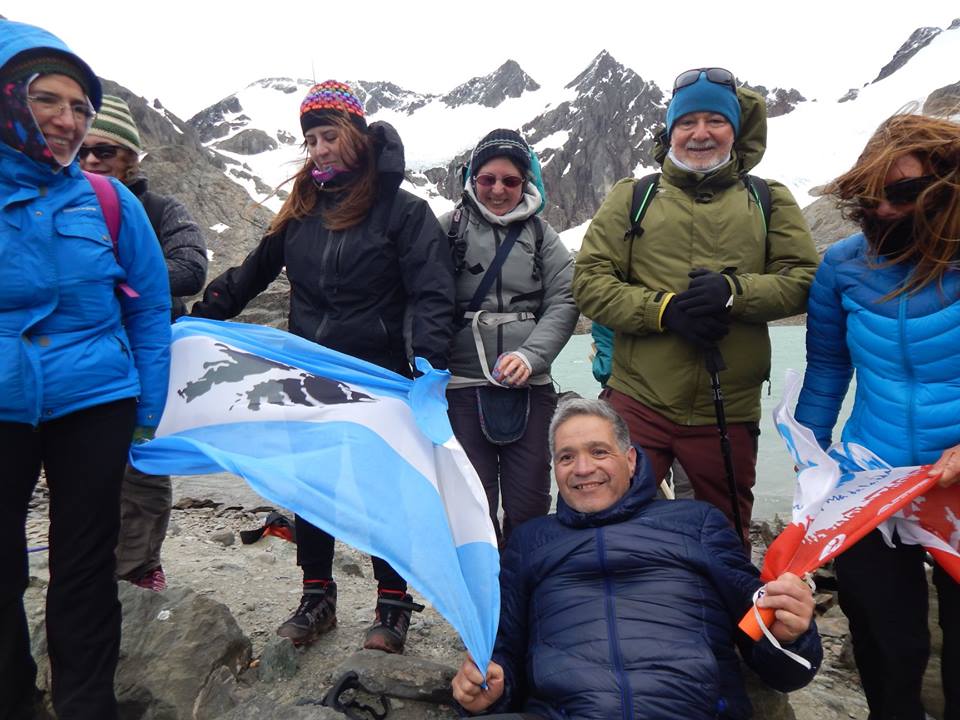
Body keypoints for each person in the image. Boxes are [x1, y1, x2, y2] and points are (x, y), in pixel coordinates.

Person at [191, 80, 455, 654]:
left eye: (329, 136)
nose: (319, 149)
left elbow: (433, 292)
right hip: (308, 377)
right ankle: (317, 597)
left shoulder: (404, 211)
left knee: (383, 489)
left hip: (380, 379)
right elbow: (251, 273)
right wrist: (198, 318)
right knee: (312, 487)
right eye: (311, 139)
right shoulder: (301, 212)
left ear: (356, 134)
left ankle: (392, 604)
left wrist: (429, 364)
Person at [0, 20, 171, 719]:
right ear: (9, 98)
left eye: (80, 107)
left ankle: (86, 704)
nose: (68, 121)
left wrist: (147, 410)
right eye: (48, 100)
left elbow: (149, 308)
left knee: (85, 561)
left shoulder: (108, 200)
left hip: (95, 400)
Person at [451, 398, 822, 719]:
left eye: (599, 452)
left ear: (630, 460)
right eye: (566, 457)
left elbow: (781, 663)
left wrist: (791, 636)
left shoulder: (697, 524)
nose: (583, 468)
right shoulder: (530, 541)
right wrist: (489, 691)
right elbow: (505, 653)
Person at [573, 67, 819, 542]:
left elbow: (803, 280)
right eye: (687, 122)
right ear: (670, 132)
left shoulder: (768, 199)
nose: (700, 133)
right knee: (610, 522)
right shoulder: (633, 196)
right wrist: (664, 310)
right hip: (639, 397)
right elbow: (589, 282)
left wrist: (734, 292)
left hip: (729, 404)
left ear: (735, 131)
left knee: (723, 533)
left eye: (715, 121)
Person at [794, 112, 960, 720]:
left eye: (903, 192)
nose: (883, 210)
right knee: (885, 641)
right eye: (869, 198)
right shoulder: (842, 265)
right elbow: (826, 371)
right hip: (873, 474)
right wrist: (811, 468)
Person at [81, 94, 208, 592]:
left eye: (105, 151)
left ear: (131, 157)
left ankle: (138, 568)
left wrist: (115, 279)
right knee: (86, 467)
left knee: (142, 467)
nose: (92, 160)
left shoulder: (160, 210)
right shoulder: (63, 206)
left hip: (146, 359)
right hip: (83, 361)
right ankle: (94, 566)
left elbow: (191, 268)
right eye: (85, 151)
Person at [442, 129, 577, 547]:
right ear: (472, 179)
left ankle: (524, 578)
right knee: (473, 499)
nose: (498, 190)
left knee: (530, 500)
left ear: (525, 182)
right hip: (460, 385)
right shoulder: (447, 229)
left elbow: (565, 299)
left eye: (510, 180)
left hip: (530, 386)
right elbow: (421, 297)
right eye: (488, 179)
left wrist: (531, 356)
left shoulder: (542, 236)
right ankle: (486, 584)